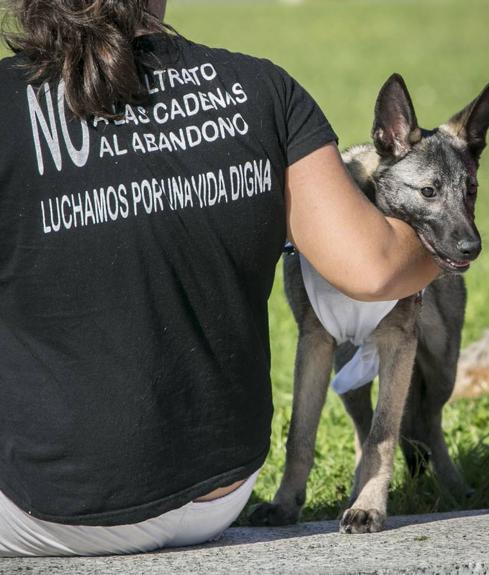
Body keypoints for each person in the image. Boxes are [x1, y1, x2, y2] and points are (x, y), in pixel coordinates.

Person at [0, 0, 441, 557]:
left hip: (43, 507)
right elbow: (375, 269)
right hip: (217, 495)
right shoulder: (261, 88)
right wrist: (453, 246)